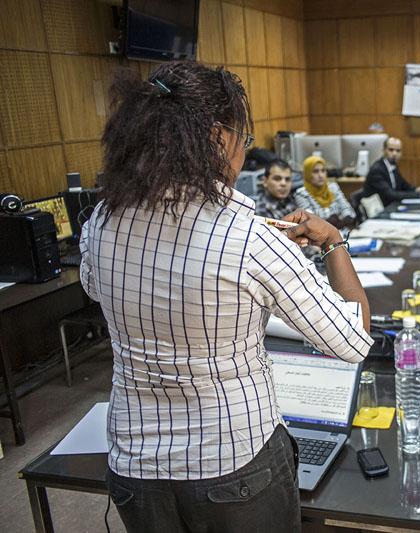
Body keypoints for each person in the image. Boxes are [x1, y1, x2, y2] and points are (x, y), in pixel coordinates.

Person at [82, 61, 372, 532]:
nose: (244, 152)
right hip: (234, 464)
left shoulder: (102, 220)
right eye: (244, 139)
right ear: (218, 138)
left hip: (136, 464)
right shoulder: (249, 238)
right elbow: (353, 339)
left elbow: (95, 287)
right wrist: (334, 243)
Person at [363, 137, 420, 206]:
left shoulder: (392, 165)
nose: (394, 153)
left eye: (398, 151)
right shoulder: (377, 170)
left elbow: (404, 185)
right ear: (384, 150)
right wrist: (419, 194)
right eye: (391, 150)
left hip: (390, 206)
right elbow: (391, 195)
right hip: (379, 209)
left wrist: (418, 189)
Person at [295, 155, 356, 228]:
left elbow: (348, 210)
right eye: (315, 171)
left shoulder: (333, 187)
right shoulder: (301, 194)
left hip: (342, 230)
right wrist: (332, 221)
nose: (320, 175)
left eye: (323, 170)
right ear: (308, 174)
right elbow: (310, 222)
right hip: (320, 234)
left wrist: (343, 220)